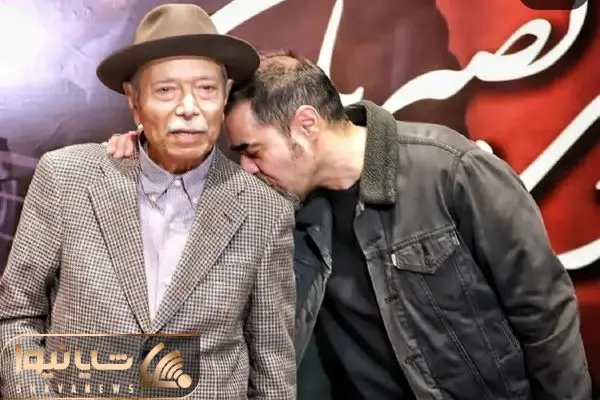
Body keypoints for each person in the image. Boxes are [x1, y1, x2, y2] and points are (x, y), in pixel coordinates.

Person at [106, 51, 592, 400]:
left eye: (253, 151)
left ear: (306, 126)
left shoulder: (452, 171)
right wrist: (149, 155)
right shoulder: (282, 209)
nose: (248, 170)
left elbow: (544, 313)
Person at [0, 5, 296, 399]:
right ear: (134, 101)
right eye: (166, 90)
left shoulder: (265, 211)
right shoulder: (67, 178)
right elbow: (16, 317)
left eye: (206, 89)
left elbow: (272, 369)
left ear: (225, 95)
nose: (188, 108)